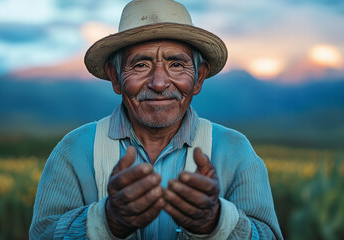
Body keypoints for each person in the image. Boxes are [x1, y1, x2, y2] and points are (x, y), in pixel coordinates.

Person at [30, 0, 283, 239]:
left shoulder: (235, 151)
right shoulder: (73, 151)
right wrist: (107, 220)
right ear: (116, 78)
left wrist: (215, 221)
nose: (159, 83)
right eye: (141, 65)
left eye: (176, 64)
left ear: (199, 78)